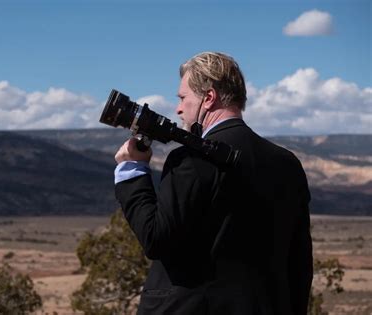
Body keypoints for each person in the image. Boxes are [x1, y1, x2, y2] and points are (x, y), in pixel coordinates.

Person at [114, 52, 313, 315]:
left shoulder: (191, 158)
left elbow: (156, 238)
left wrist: (132, 171)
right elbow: (299, 262)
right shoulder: (287, 163)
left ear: (208, 98)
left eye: (183, 98)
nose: (178, 108)